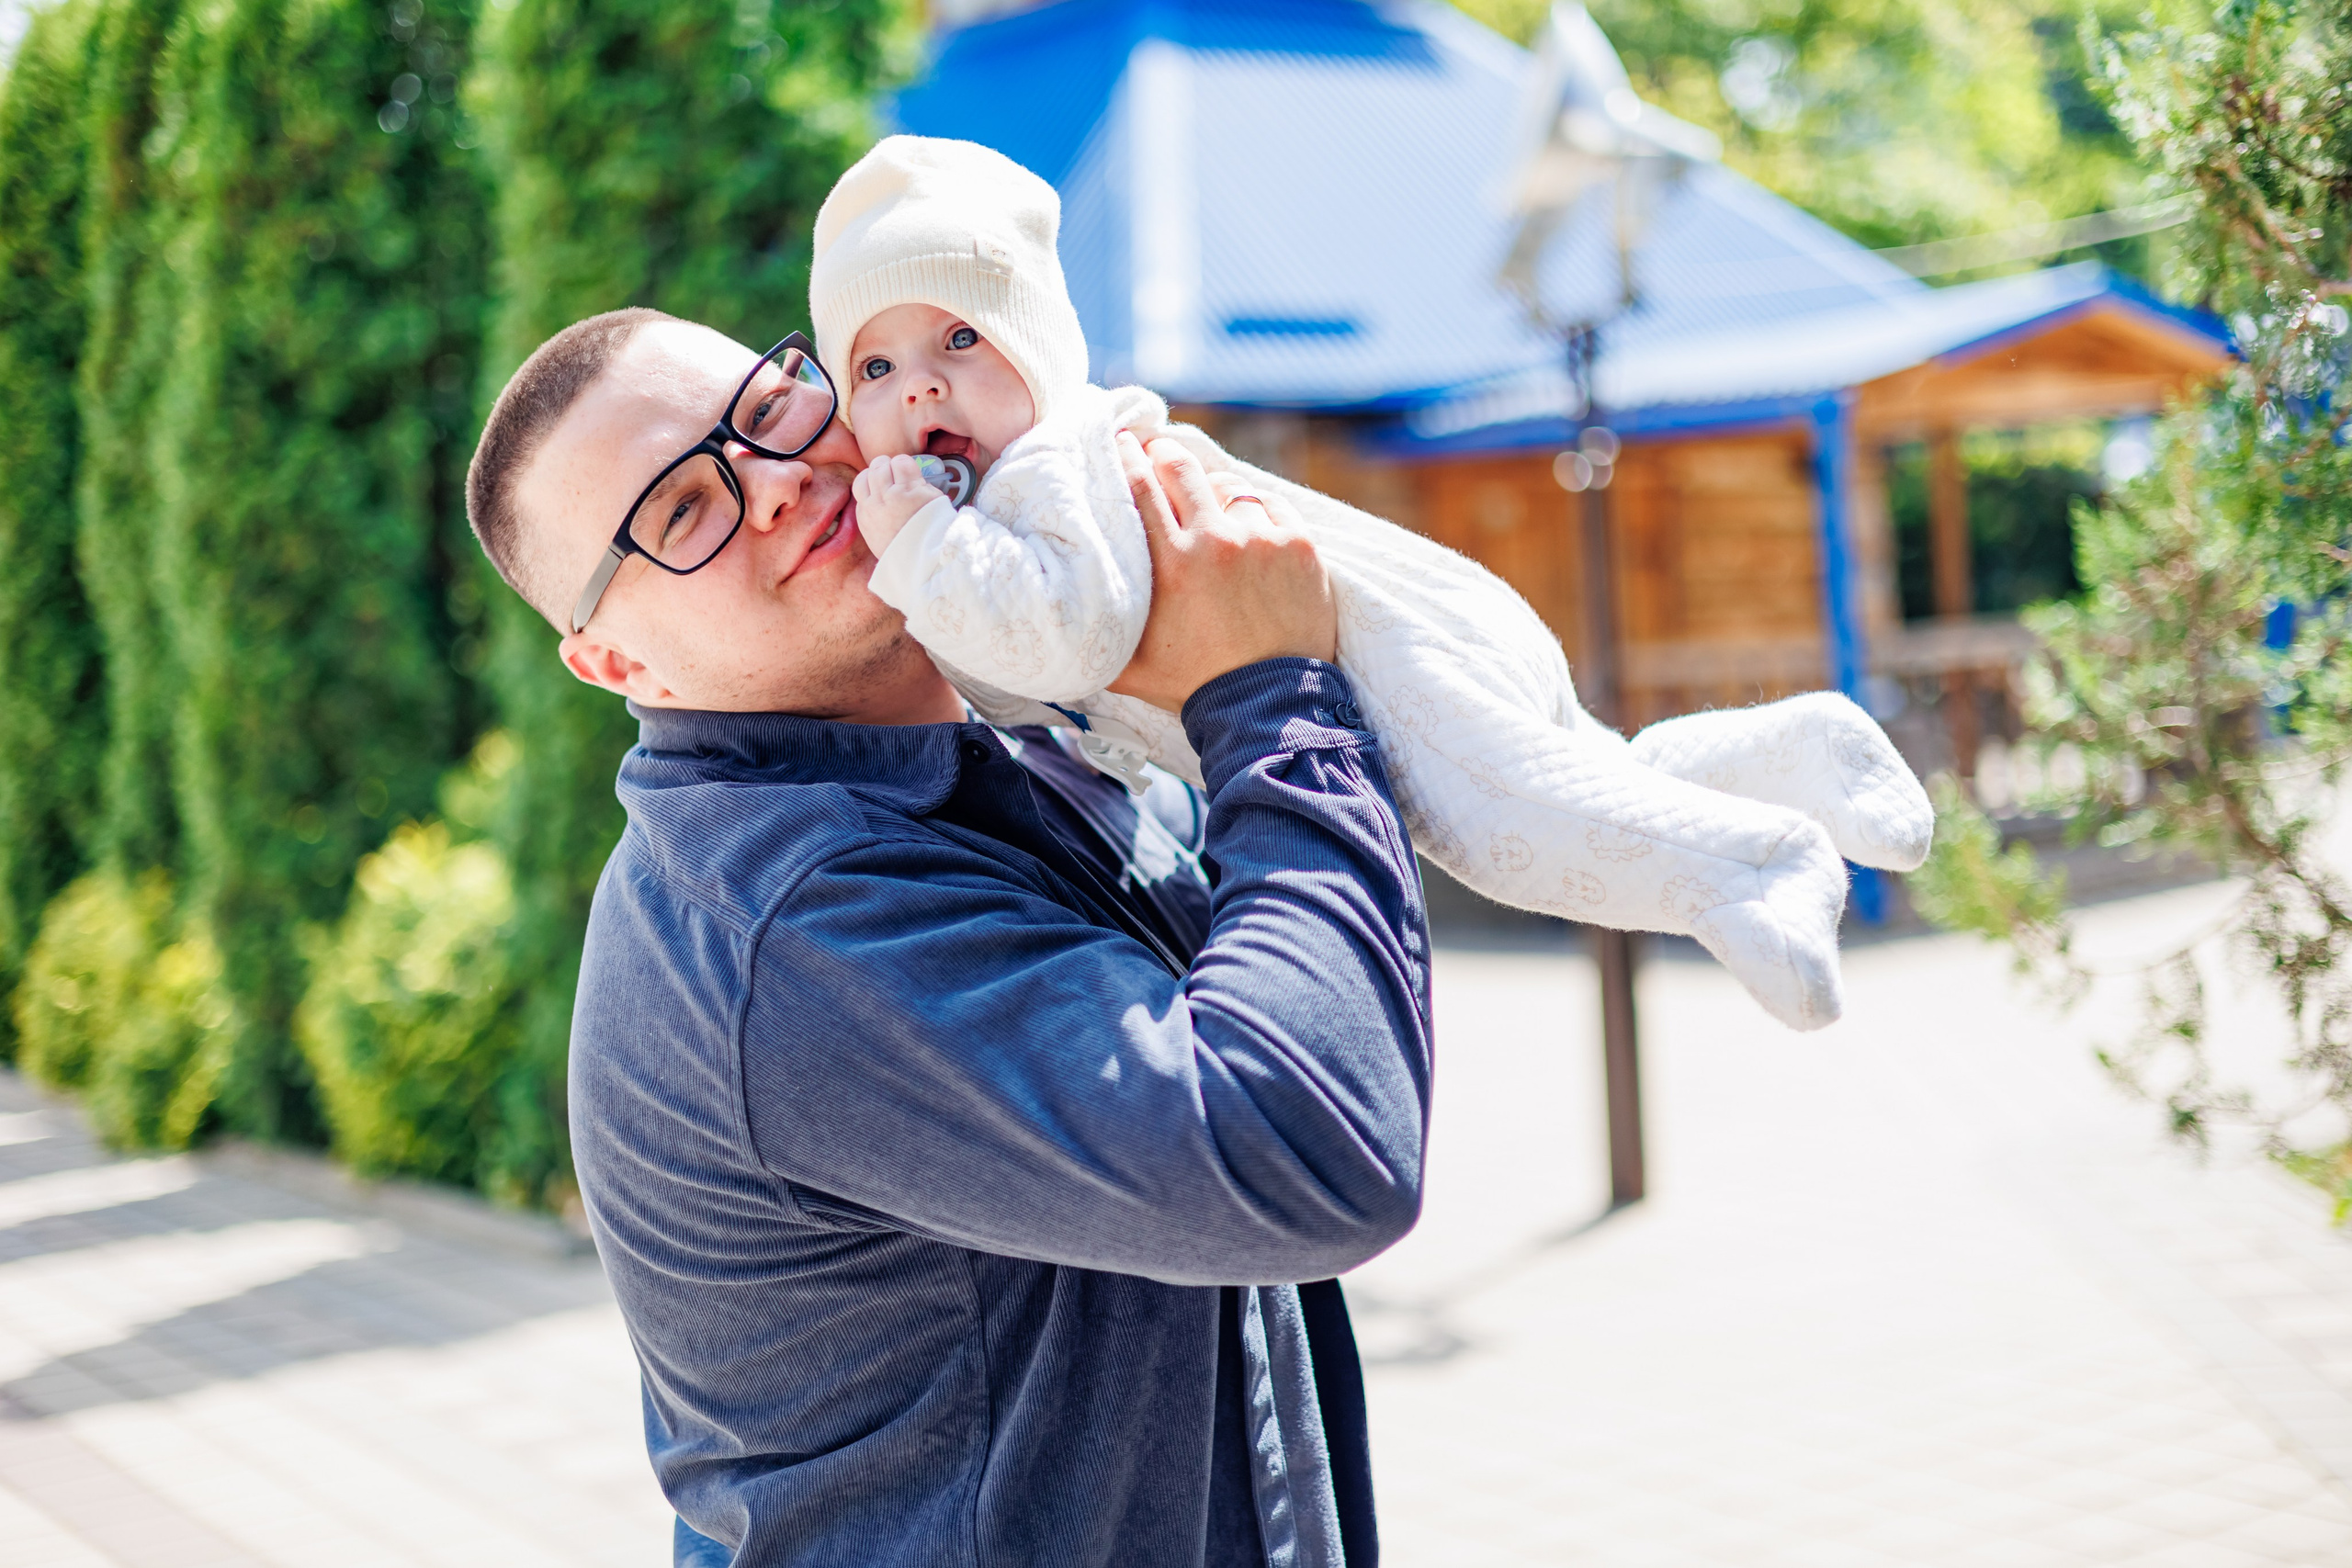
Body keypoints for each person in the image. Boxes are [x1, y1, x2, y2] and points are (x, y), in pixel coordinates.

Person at [463, 303, 1431, 1566]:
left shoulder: (999, 733)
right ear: (612, 662)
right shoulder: (796, 921)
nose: (773, 481)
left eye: (766, 409)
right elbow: (1308, 1150)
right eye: (684, 514)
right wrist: (1271, 700)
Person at [813, 135, 1939, 1032]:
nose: (919, 389)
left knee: (1510, 829)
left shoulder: (1050, 464)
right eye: (875, 366)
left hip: (1377, 651)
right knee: (1584, 773)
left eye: (960, 338)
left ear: (1040, 351)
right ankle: (1787, 756)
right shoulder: (1015, 487)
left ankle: (1750, 871)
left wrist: (916, 546)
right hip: (1410, 620)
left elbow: (1066, 636)